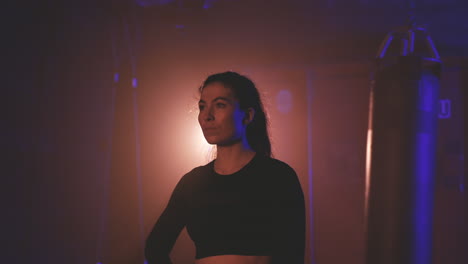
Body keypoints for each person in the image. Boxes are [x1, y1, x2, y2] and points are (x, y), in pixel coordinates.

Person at [145, 71, 305, 264]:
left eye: (220, 105)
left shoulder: (278, 177)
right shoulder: (192, 183)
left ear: (247, 116)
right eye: (202, 107)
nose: (207, 116)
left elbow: (293, 254)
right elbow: (155, 248)